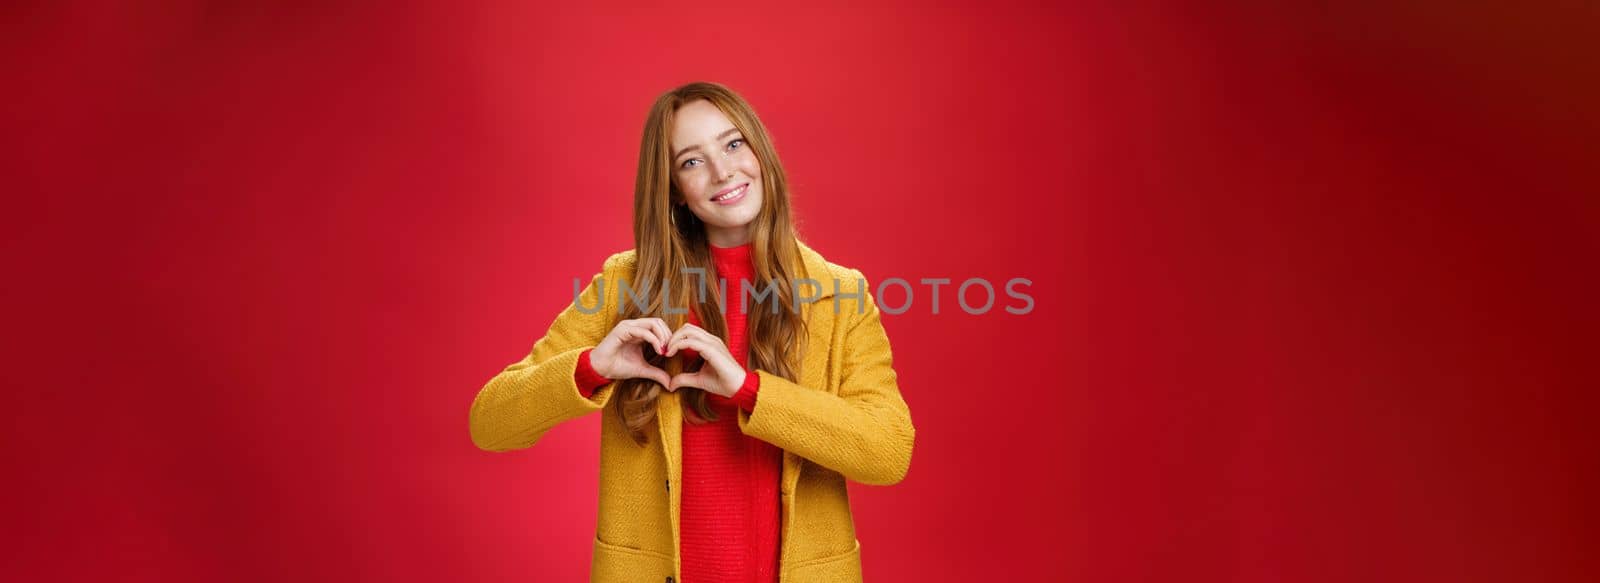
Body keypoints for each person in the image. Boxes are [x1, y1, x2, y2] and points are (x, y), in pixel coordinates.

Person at [468, 81, 914, 582]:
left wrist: (748, 390)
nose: (723, 171)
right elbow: (490, 424)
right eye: (691, 161)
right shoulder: (624, 285)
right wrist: (591, 367)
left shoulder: (839, 293)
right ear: (675, 191)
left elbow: (888, 451)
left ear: (759, 150)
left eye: (733, 143)